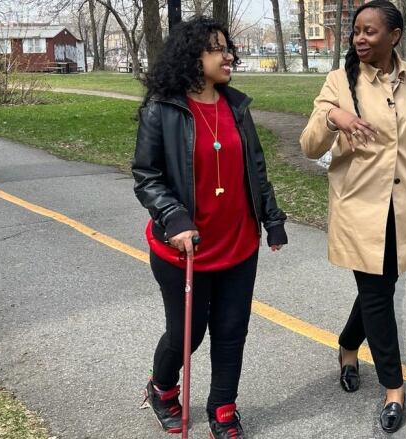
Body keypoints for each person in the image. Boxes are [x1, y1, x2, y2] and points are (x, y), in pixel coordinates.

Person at [133, 16, 287, 439]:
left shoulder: (236, 106)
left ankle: (222, 407)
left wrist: (272, 219)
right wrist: (173, 217)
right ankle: (162, 389)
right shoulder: (161, 110)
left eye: (228, 47)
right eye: (218, 48)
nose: (229, 55)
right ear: (192, 56)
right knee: (188, 334)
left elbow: (255, 167)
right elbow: (147, 176)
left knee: (232, 329)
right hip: (184, 249)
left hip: (238, 242)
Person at [299, 0, 406, 433]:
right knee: (378, 296)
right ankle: (394, 388)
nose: (360, 38)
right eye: (356, 31)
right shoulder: (339, 82)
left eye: (370, 31)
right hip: (359, 208)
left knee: (381, 286)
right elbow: (309, 147)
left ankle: (346, 345)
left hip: (403, 207)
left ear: (394, 36)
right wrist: (332, 116)